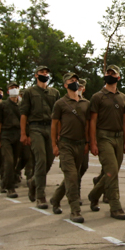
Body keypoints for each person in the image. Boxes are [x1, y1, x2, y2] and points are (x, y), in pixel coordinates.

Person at [88, 64, 125, 220]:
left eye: (113, 74)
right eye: (108, 73)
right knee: (111, 170)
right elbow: (92, 121)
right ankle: (115, 207)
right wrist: (92, 142)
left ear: (118, 77)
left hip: (119, 137)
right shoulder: (97, 96)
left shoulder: (123, 97)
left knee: (112, 172)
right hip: (103, 137)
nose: (110, 75)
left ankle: (94, 194)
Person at [50, 73, 89, 223]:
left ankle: (56, 198)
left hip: (80, 144)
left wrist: (87, 143)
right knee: (72, 176)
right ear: (65, 85)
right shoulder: (60, 103)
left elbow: (87, 125)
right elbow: (54, 125)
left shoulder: (86, 103)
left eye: (76, 80)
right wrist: (54, 145)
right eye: (71, 81)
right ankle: (75, 210)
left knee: (73, 176)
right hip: (66, 144)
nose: (75, 83)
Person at [20, 65, 61, 209]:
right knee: (41, 159)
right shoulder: (29, 92)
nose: (45, 74)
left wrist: (59, 133)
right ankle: (40, 195)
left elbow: (58, 115)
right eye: (42, 72)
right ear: (36, 75)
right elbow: (24, 114)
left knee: (49, 160)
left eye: (46, 72)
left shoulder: (54, 92)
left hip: (50, 128)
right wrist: (24, 133)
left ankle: (33, 181)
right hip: (35, 128)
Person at [0, 83, 22, 198]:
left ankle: (4, 182)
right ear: (7, 92)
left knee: (14, 161)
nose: (14, 90)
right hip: (6, 134)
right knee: (9, 161)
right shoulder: (3, 105)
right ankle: (10, 187)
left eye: (16, 88)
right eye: (11, 88)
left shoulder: (22, 105)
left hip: (18, 134)